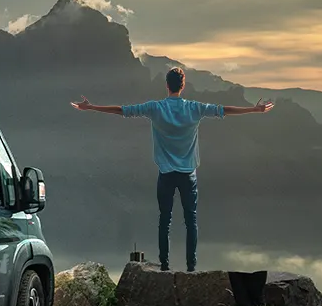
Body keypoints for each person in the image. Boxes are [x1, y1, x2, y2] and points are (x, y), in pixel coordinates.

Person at [71, 66, 273, 272]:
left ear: (167, 85)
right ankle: (191, 267)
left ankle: (165, 266)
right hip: (188, 174)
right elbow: (223, 110)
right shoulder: (195, 108)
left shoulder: (155, 108)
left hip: (166, 174)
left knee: (164, 220)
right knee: (191, 220)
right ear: (182, 86)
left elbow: (123, 110)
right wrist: (254, 109)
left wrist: (92, 107)